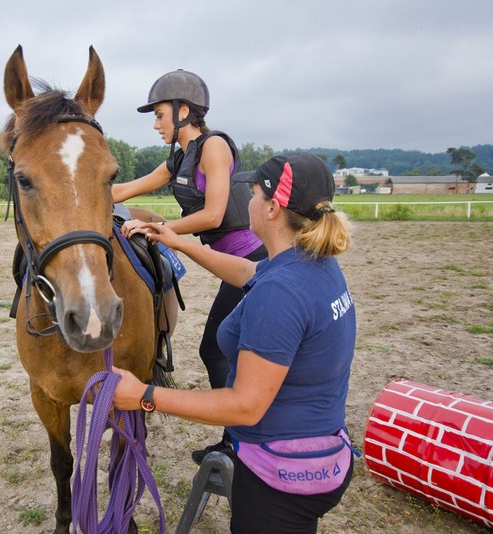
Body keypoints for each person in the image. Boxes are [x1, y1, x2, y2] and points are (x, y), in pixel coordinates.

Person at [113, 153, 357, 533]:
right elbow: (248, 271)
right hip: (322, 454)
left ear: (273, 208)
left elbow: (245, 407)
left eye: (254, 194)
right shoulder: (314, 264)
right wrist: (180, 243)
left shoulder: (280, 294)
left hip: (281, 476)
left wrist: (144, 395)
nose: (248, 203)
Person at [112, 69, 267, 464]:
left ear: (184, 111)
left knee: (214, 347)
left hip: (253, 262)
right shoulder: (179, 156)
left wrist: (159, 226)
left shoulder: (213, 147)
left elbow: (214, 215)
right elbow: (128, 188)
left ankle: (238, 441)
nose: (156, 123)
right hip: (231, 262)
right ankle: (242, 436)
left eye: (160, 114)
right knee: (225, 345)